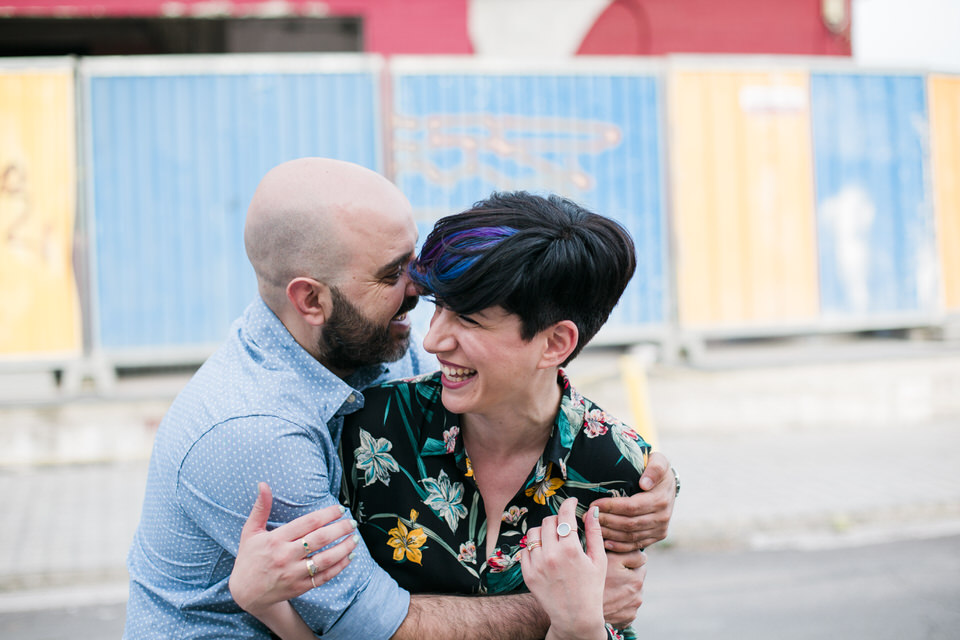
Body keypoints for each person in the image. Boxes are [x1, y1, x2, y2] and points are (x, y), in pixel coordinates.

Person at [123, 158, 677, 639]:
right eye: (393, 274)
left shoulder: (365, 342)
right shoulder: (254, 430)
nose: (418, 291)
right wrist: (572, 611)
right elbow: (372, 628)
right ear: (311, 300)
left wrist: (655, 476)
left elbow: (514, 377)